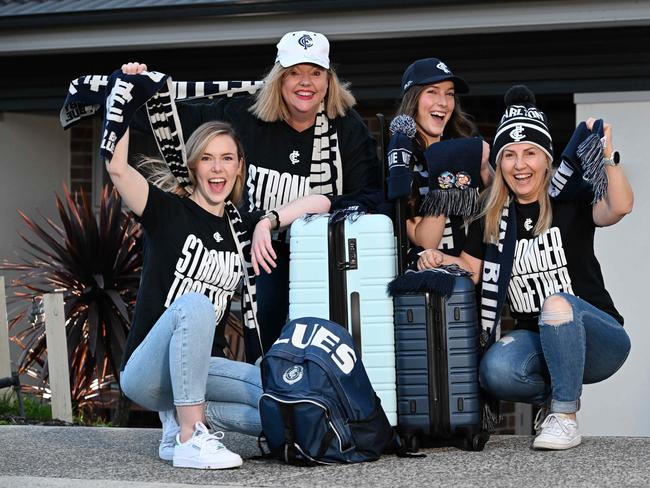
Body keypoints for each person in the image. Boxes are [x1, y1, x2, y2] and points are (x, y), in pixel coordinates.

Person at [122, 30, 381, 357]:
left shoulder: (347, 128)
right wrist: (137, 88)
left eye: (315, 73)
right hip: (252, 255)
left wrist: (281, 219)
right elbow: (174, 121)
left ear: (328, 81)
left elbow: (370, 198)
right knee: (263, 341)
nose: (306, 83)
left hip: (323, 257)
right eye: (294, 73)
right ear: (278, 78)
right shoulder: (245, 115)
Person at [417, 85, 633, 450]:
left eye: (530, 153)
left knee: (557, 303)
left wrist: (608, 157)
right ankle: (553, 399)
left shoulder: (570, 200)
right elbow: (470, 269)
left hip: (599, 337)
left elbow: (619, 207)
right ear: (499, 164)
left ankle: (565, 415)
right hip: (537, 341)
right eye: (510, 155)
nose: (520, 165)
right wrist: (439, 259)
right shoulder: (490, 215)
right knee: (495, 370)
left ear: (547, 158)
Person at [112, 120, 330, 468]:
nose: (218, 167)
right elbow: (117, 168)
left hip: (200, 370)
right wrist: (120, 102)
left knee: (286, 403)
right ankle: (190, 437)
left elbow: (321, 201)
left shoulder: (238, 227)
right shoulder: (167, 211)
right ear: (193, 166)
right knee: (195, 303)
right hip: (147, 373)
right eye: (207, 158)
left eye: (227, 158)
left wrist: (267, 221)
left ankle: (191, 416)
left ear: (239, 166)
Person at [395, 57, 493, 256]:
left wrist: (483, 167)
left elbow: (501, 205)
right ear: (413, 98)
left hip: (479, 274)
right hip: (430, 279)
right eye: (432, 92)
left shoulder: (466, 143)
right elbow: (425, 242)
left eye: (449, 94)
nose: (443, 103)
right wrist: (446, 169)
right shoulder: (400, 159)